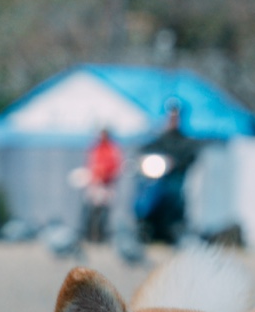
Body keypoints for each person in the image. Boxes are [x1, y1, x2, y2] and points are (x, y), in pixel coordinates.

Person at [134, 100, 202, 245]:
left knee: (174, 197)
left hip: (174, 181)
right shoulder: (159, 140)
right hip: (157, 181)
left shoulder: (184, 141)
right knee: (146, 195)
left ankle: (173, 229)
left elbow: (190, 155)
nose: (172, 120)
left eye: (175, 117)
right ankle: (144, 224)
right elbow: (146, 149)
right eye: (170, 116)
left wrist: (175, 162)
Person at [77, 128, 122, 244]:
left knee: (104, 212)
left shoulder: (112, 149)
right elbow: (90, 164)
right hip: (94, 183)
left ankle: (101, 235)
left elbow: (115, 166)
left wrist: (105, 174)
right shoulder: (95, 148)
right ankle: (89, 234)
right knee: (90, 210)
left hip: (106, 184)